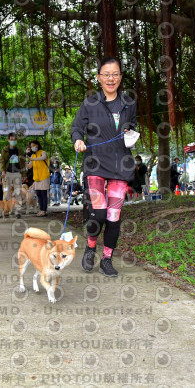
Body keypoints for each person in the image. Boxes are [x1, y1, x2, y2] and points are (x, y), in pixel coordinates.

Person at [71, 56, 137, 277]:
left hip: (120, 165)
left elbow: (132, 126)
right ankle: (90, 248)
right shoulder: (90, 103)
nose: (111, 78)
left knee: (113, 216)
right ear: (99, 77)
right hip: (96, 164)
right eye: (106, 74)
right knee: (98, 214)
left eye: (115, 74)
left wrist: (131, 134)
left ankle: (107, 259)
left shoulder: (129, 103)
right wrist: (78, 140)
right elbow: (76, 128)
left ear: (120, 77)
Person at [0, 132, 25, 218]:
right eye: (11, 139)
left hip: (17, 173)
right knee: (6, 193)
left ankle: (18, 211)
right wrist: (2, 170)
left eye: (15, 139)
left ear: (16, 140)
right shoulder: (4, 150)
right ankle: (5, 211)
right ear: (8, 140)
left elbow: (23, 163)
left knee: (18, 192)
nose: (13, 141)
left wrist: (24, 174)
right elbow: (2, 161)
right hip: (7, 173)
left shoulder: (20, 150)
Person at [27, 140, 50, 216]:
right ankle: (41, 210)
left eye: (34, 145)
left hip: (44, 176)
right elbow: (30, 166)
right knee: (39, 195)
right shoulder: (33, 156)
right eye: (31, 146)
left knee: (43, 194)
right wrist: (24, 163)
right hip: (36, 178)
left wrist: (33, 159)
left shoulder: (43, 152)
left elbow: (43, 157)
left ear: (38, 145)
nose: (32, 147)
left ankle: (44, 210)